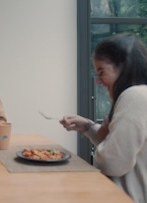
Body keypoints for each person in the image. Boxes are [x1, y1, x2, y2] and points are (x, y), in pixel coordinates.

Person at [60, 33, 147, 203]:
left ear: (124, 67)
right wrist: (88, 127)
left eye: (102, 71)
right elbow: (120, 148)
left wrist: (103, 139)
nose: (98, 81)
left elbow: (113, 163)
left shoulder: (134, 96)